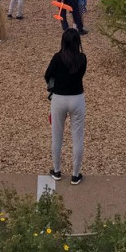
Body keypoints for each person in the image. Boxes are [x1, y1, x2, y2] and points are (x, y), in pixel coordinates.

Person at [45, 29, 87, 185]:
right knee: (77, 137)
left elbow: (47, 75)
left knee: (57, 136)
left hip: (59, 98)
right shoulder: (82, 58)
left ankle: (56, 170)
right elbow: (81, 75)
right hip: (77, 98)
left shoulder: (57, 57)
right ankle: (75, 174)